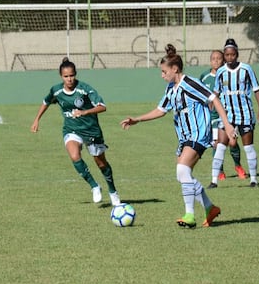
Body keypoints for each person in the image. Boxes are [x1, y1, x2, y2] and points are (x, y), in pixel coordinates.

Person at [120, 44, 236, 228]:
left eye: (164, 71)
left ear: (175, 69)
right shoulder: (170, 88)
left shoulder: (189, 83)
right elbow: (161, 109)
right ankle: (210, 208)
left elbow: (213, 98)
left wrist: (227, 125)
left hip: (198, 134)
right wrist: (137, 119)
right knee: (184, 176)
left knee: (182, 171)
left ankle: (189, 216)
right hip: (184, 137)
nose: (162, 75)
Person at [31, 57, 121, 206]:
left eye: (72, 75)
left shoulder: (85, 89)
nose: (69, 79)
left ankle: (113, 191)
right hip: (71, 129)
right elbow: (46, 102)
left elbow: (102, 106)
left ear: (75, 74)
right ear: (61, 76)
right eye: (66, 76)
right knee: (74, 156)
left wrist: (85, 112)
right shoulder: (56, 90)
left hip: (91, 131)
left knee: (101, 163)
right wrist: (36, 119)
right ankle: (94, 186)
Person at [209, 38, 259, 188]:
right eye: (227, 55)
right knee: (220, 146)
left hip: (245, 114)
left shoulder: (246, 69)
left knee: (248, 147)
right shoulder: (221, 72)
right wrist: (211, 102)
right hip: (227, 115)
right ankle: (214, 180)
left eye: (232, 55)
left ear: (237, 54)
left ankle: (254, 179)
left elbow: (256, 89)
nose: (229, 58)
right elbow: (216, 90)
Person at [200, 50, 246, 182]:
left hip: (229, 115)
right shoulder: (204, 76)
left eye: (218, 58)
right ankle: (220, 171)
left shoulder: (228, 74)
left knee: (232, 142)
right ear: (210, 61)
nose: (215, 61)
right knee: (217, 144)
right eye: (213, 58)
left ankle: (238, 165)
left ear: (223, 60)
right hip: (213, 117)